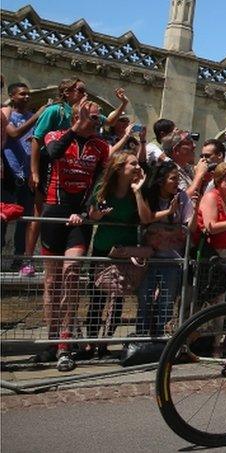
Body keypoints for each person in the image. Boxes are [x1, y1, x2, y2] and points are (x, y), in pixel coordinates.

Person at [39, 99, 111, 370]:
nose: (97, 122)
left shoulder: (101, 146)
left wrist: (85, 209)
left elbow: (100, 183)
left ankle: (65, 343)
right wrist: (75, 129)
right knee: (51, 282)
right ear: (77, 117)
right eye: (93, 118)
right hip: (53, 212)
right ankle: (49, 339)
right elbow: (53, 153)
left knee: (71, 275)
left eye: (98, 119)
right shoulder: (56, 134)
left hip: (78, 217)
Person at [85, 150, 146, 355]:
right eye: (133, 164)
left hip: (123, 251)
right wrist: (99, 213)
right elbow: (92, 215)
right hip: (103, 249)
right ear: (120, 168)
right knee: (97, 299)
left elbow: (144, 217)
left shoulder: (136, 190)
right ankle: (90, 342)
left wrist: (137, 191)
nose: (138, 167)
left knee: (117, 299)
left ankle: (105, 342)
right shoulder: (103, 189)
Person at [137, 160, 193, 336]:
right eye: (173, 179)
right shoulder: (150, 196)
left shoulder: (182, 197)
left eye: (178, 179)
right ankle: (142, 335)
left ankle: (160, 337)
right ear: (161, 181)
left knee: (166, 301)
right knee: (145, 300)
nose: (177, 183)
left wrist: (195, 205)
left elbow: (188, 225)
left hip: (172, 258)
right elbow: (146, 218)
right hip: (150, 257)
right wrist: (168, 212)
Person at [1, 82, 47, 275]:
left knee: (25, 219)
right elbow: (13, 133)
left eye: (28, 94)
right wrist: (37, 116)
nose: (27, 97)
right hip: (9, 175)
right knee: (3, 216)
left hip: (27, 177)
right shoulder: (7, 114)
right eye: (22, 94)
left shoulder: (31, 117)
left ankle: (20, 260)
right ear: (12, 96)